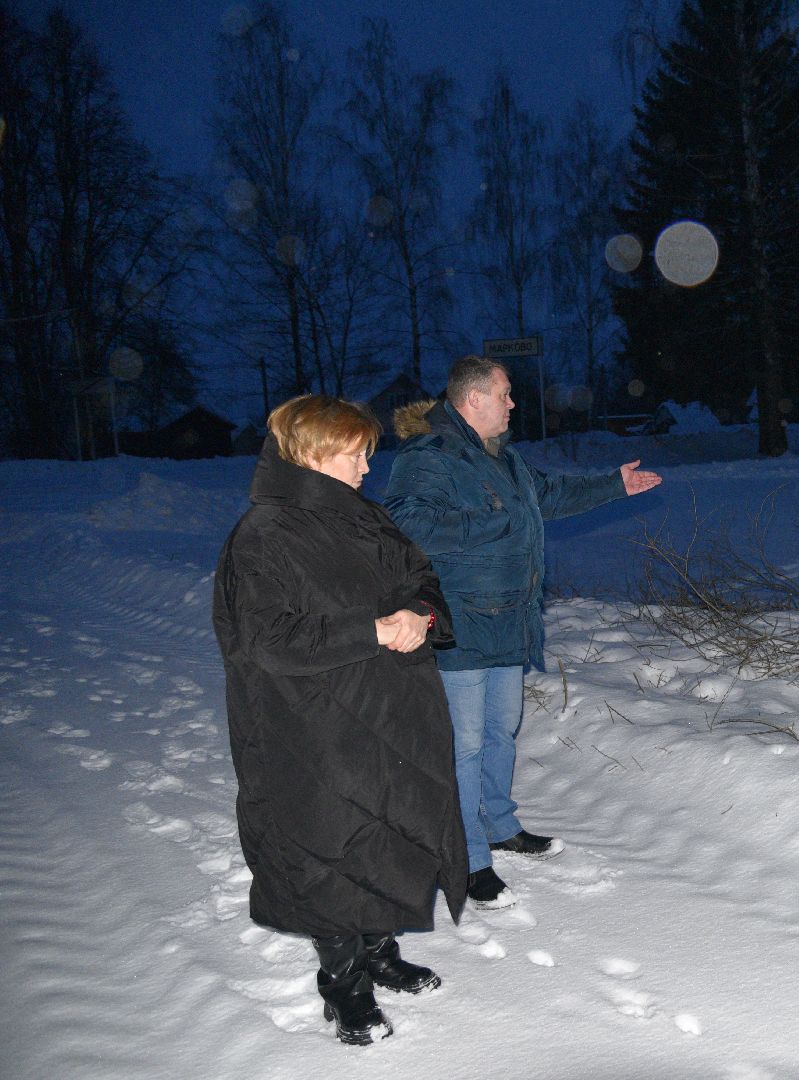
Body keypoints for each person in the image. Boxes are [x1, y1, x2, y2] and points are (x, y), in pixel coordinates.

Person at [213, 395, 468, 1046]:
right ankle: (344, 985)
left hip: (387, 712)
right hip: (311, 728)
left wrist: (421, 612)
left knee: (385, 833)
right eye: (354, 454)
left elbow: (422, 576)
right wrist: (372, 629)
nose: (365, 467)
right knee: (329, 848)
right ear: (311, 454)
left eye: (367, 453)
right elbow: (266, 639)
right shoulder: (264, 535)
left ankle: (379, 952)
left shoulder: (366, 518)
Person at [386, 356, 661, 909]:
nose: (513, 404)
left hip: (509, 618)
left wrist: (614, 485)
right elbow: (406, 525)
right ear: (473, 400)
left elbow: (550, 495)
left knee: (499, 732)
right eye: (505, 394)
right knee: (462, 747)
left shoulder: (501, 458)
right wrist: (494, 522)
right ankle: (466, 859)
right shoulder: (429, 455)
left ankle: (497, 824)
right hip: (460, 621)